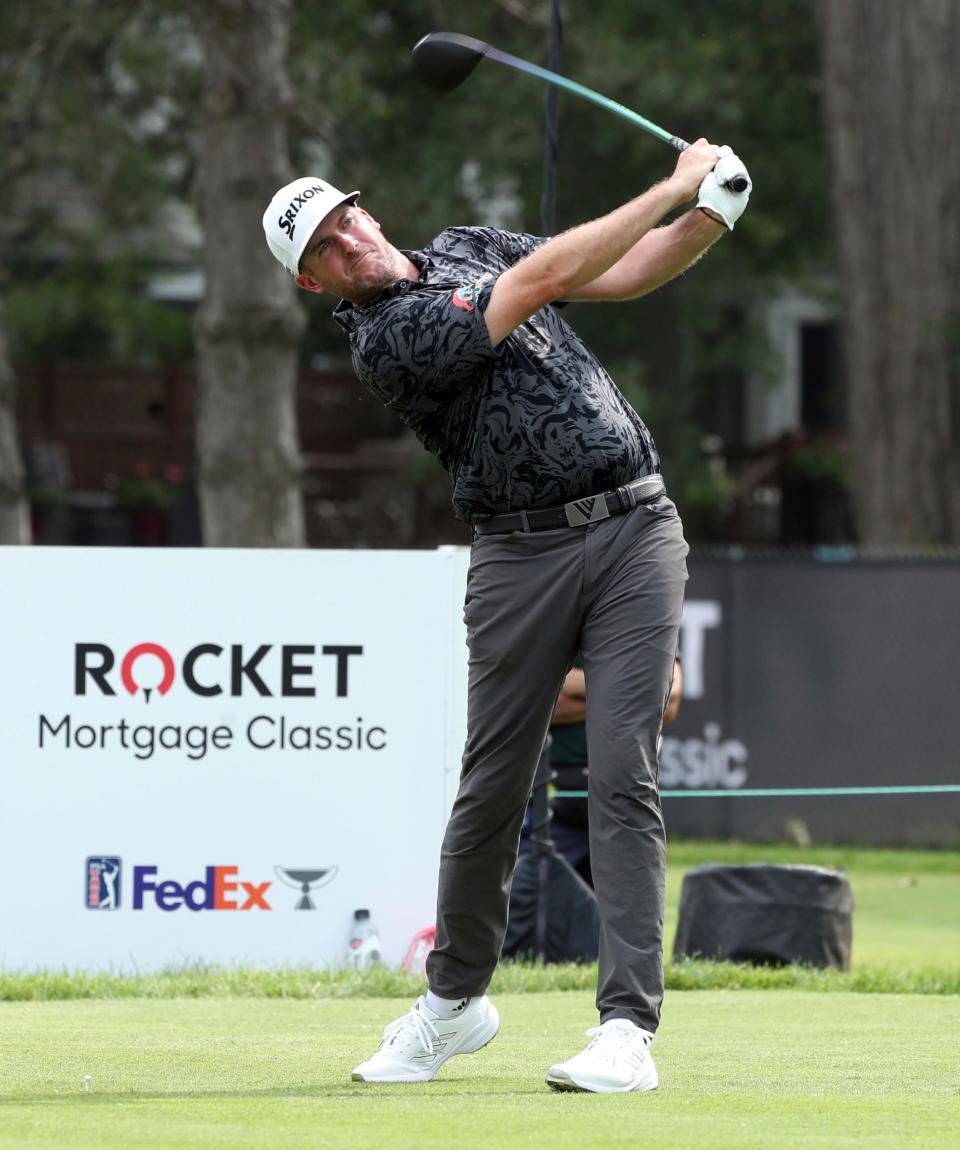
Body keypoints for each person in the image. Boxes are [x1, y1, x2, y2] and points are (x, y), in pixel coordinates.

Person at [262, 140, 751, 1093]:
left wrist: (709, 218)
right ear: (317, 282)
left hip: (635, 524)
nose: (347, 240)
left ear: (365, 210)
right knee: (491, 787)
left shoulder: (467, 241)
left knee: (622, 770)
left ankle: (625, 1030)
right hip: (518, 554)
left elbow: (619, 270)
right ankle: (454, 1006)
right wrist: (673, 183)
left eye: (344, 217)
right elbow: (546, 275)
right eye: (324, 245)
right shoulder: (385, 341)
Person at [531, 655, 683, 888]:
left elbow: (669, 699)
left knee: (625, 905)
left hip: (625, 794)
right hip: (554, 802)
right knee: (543, 905)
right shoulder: (552, 620)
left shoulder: (645, 620)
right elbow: (536, 700)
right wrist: (630, 692)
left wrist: (581, 689)